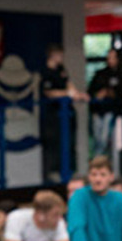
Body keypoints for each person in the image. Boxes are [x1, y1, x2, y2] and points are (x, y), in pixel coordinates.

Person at [40, 44, 89, 183]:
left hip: (67, 114)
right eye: (59, 55)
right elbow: (49, 93)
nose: (61, 58)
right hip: (52, 115)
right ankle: (53, 173)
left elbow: (69, 85)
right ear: (53, 55)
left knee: (69, 143)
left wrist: (77, 94)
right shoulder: (46, 72)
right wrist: (67, 94)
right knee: (54, 145)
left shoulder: (61, 69)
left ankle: (70, 171)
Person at [87, 49, 122, 158]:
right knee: (97, 138)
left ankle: (104, 162)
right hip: (98, 110)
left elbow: (121, 92)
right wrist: (98, 94)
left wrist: (109, 93)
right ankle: (98, 160)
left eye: (113, 57)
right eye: (108, 57)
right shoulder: (100, 74)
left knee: (106, 138)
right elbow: (90, 91)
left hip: (113, 111)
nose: (110, 60)